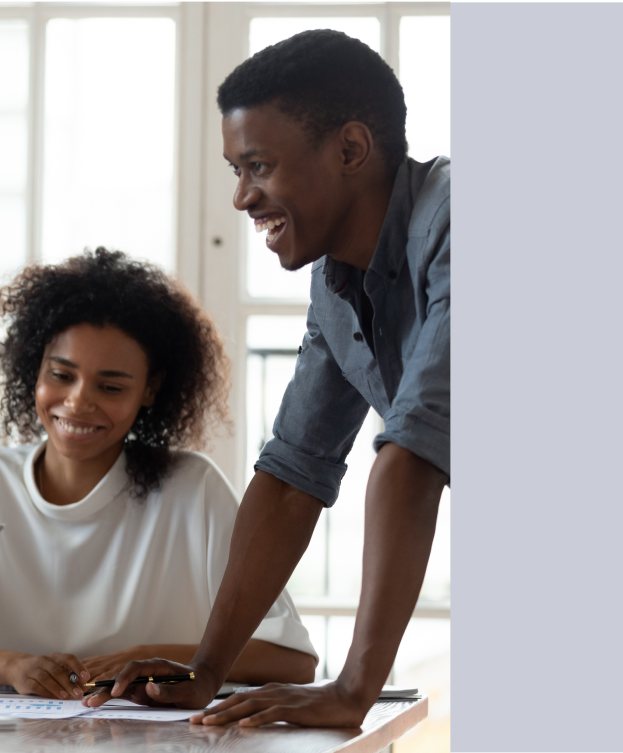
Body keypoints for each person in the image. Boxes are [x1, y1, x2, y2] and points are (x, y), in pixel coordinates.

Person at [88, 30, 450, 727]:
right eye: (234, 169)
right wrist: (204, 671)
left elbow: (411, 456)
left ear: (349, 149)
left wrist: (353, 688)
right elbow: (290, 477)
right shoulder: (336, 281)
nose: (240, 199)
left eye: (257, 166)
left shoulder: (456, 217)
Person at [0, 249, 319, 699]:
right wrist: (14, 667)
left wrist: (149, 656)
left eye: (110, 387)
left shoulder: (194, 489)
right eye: (61, 375)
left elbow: (293, 659)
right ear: (34, 369)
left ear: (150, 389)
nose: (78, 402)